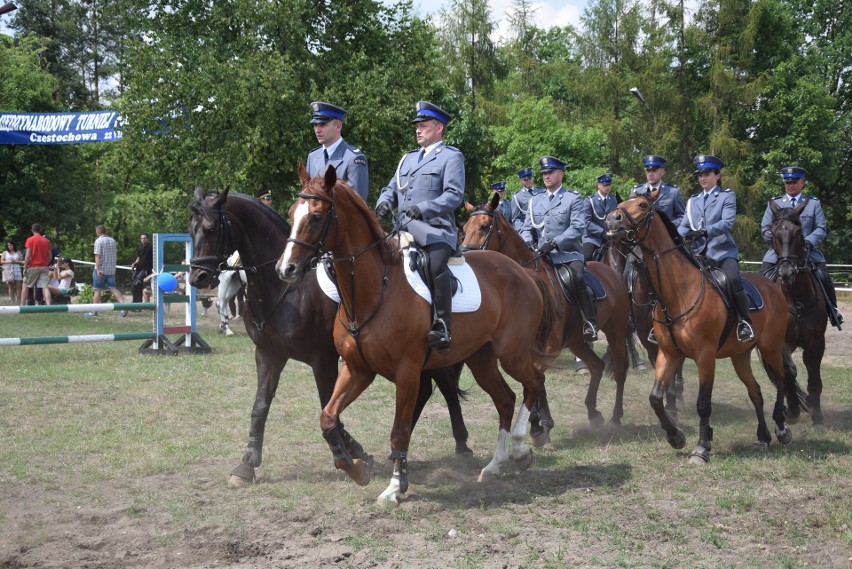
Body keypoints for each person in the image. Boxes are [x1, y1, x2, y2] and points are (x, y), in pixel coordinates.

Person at [375, 101, 464, 350]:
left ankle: (442, 325)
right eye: (417, 126)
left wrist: (423, 209)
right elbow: (391, 188)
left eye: (423, 125)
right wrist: (383, 202)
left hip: (435, 229)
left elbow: (454, 195)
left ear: (439, 128)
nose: (418, 130)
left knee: (435, 263)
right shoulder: (408, 159)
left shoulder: (451, 157)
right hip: (401, 227)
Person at [521, 156, 598, 341]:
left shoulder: (573, 198)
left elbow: (578, 228)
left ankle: (590, 322)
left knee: (578, 277)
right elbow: (525, 228)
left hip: (567, 254)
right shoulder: (535, 201)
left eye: (550, 172)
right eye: (544, 173)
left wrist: (555, 242)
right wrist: (528, 242)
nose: (546, 176)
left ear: (561, 174)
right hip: (540, 255)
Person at [678, 154, 754, 342]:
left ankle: (745, 321)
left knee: (733, 279)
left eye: (707, 174)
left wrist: (704, 231)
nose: (703, 178)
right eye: (700, 174)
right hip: (697, 254)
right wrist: (675, 239)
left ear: (717, 175)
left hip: (721, 252)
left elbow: (727, 223)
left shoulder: (726, 196)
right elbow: (683, 226)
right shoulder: (692, 201)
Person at [760, 166, 844, 328]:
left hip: (807, 251)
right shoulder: (775, 203)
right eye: (787, 182)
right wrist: (777, 242)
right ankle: (759, 313)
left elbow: (820, 228)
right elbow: (764, 228)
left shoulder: (813, 204)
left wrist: (808, 242)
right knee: (763, 276)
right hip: (778, 252)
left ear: (802, 183)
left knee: (823, 276)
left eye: (794, 182)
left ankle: (833, 310)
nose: (790, 185)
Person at [306, 101, 369, 202]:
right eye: (315, 125)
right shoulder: (313, 156)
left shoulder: (354, 159)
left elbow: (357, 205)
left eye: (322, 124)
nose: (317, 130)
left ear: (338, 126)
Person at [630, 155, 686, 225]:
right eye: (648, 170)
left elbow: (682, 217)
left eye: (654, 170)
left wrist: (669, 226)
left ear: (662, 172)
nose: (650, 174)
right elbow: (630, 216)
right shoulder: (637, 191)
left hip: (665, 234)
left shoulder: (673, 192)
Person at [88, 224, 126, 317]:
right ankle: (124, 306)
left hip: (101, 269)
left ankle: (94, 311)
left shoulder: (98, 241)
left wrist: (97, 269)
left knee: (97, 290)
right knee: (113, 288)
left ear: (98, 231)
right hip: (111, 269)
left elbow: (98, 256)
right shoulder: (113, 241)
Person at [582, 173, 619, 261]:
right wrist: (602, 233)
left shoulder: (614, 199)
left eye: (609, 185)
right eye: (604, 185)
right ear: (598, 185)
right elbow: (587, 223)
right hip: (593, 238)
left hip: (611, 237)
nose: (607, 187)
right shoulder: (589, 201)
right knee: (586, 257)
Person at [22, 224, 52, 306]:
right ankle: (49, 306)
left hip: (32, 267)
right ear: (40, 230)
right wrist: (46, 263)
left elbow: (27, 255)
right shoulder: (46, 241)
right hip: (44, 267)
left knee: (25, 286)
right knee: (45, 287)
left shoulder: (30, 240)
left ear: (32, 230)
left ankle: (22, 306)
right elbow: (50, 255)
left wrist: (25, 267)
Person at [509, 166, 544, 234]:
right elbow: (516, 219)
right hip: (529, 230)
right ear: (521, 181)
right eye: (525, 180)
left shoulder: (542, 191)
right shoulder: (517, 197)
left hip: (544, 229)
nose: (528, 181)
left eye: (530, 178)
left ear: (533, 178)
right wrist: (523, 232)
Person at [130, 233, 153, 304]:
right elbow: (138, 258)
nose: (143, 240)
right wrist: (134, 264)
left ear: (147, 239)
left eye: (144, 238)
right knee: (134, 284)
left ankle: (137, 305)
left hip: (146, 269)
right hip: (139, 268)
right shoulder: (140, 248)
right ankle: (136, 303)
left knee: (137, 283)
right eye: (142, 238)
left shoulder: (151, 247)